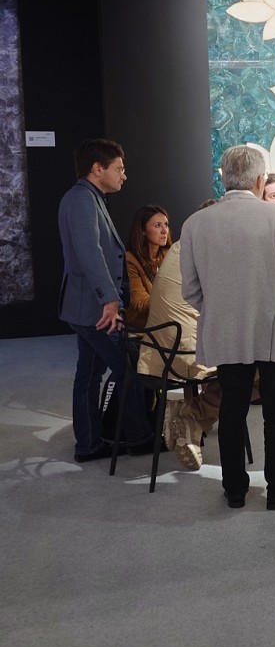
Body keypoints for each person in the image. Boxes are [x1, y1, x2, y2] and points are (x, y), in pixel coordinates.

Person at [180, 146, 275, 509]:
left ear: (223, 178)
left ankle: (235, 490)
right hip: (273, 326)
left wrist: (220, 309)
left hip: (226, 330)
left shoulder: (195, 224)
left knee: (232, 407)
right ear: (260, 180)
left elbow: (190, 288)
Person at [58, 138, 154, 462]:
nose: (123, 175)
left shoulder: (86, 197)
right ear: (98, 168)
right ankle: (139, 438)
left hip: (87, 306)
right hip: (96, 309)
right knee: (129, 368)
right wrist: (110, 302)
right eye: (119, 168)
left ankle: (89, 444)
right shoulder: (82, 200)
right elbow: (91, 254)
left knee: (88, 373)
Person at [139, 199, 223, 471]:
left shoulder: (179, 247)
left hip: (157, 353)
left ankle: (189, 419)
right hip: (185, 354)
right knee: (254, 369)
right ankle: (193, 417)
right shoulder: (208, 251)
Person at [124, 204, 172, 328]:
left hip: (168, 320)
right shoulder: (131, 259)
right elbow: (139, 301)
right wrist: (171, 301)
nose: (164, 231)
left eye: (166, 225)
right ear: (143, 230)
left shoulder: (170, 255)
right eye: (158, 225)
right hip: (142, 326)